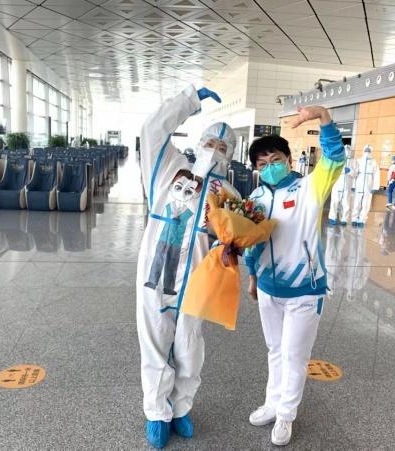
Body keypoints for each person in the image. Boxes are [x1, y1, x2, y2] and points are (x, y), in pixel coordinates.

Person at [136, 85, 240, 449]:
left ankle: (180, 407)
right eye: (211, 142)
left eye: (222, 147)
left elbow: (237, 241)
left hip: (197, 281)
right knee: (154, 340)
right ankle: (156, 413)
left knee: (189, 346)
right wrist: (189, 100)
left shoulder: (229, 196)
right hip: (155, 275)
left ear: (230, 156)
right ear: (200, 142)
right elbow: (151, 130)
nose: (215, 150)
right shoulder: (168, 168)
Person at [244, 106, 344, 446]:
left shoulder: (310, 187)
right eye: (262, 163)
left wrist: (323, 116)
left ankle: (286, 415)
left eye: (275, 159)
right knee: (274, 349)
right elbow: (252, 241)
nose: (269, 167)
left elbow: (335, 158)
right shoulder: (255, 197)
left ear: (288, 160)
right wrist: (252, 277)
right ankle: (272, 403)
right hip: (268, 289)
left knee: (294, 356)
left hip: (305, 289)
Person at [328, 144, 358, 226]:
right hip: (337, 184)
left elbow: (356, 173)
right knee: (334, 202)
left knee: (346, 203)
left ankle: (344, 219)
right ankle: (332, 218)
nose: (347, 152)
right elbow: (332, 171)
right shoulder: (337, 160)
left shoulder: (354, 161)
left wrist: (350, 171)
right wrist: (342, 171)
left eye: (348, 150)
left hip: (347, 186)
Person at [351, 144, 380, 227]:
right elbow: (355, 174)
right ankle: (354, 218)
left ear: (371, 151)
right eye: (366, 150)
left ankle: (362, 220)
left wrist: (375, 187)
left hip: (368, 185)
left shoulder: (374, 162)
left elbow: (377, 175)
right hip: (359, 184)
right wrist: (353, 185)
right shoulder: (358, 161)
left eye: (369, 151)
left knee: (366, 203)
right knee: (356, 202)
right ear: (363, 151)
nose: (367, 152)